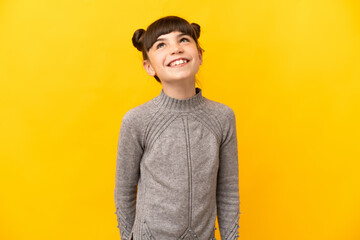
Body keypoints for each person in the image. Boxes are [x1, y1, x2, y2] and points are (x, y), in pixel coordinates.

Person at [114, 16, 240, 240]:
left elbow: (228, 190)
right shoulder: (137, 120)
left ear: (199, 55)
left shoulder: (222, 117)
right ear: (149, 67)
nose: (175, 49)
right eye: (161, 44)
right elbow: (124, 191)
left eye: (183, 40)